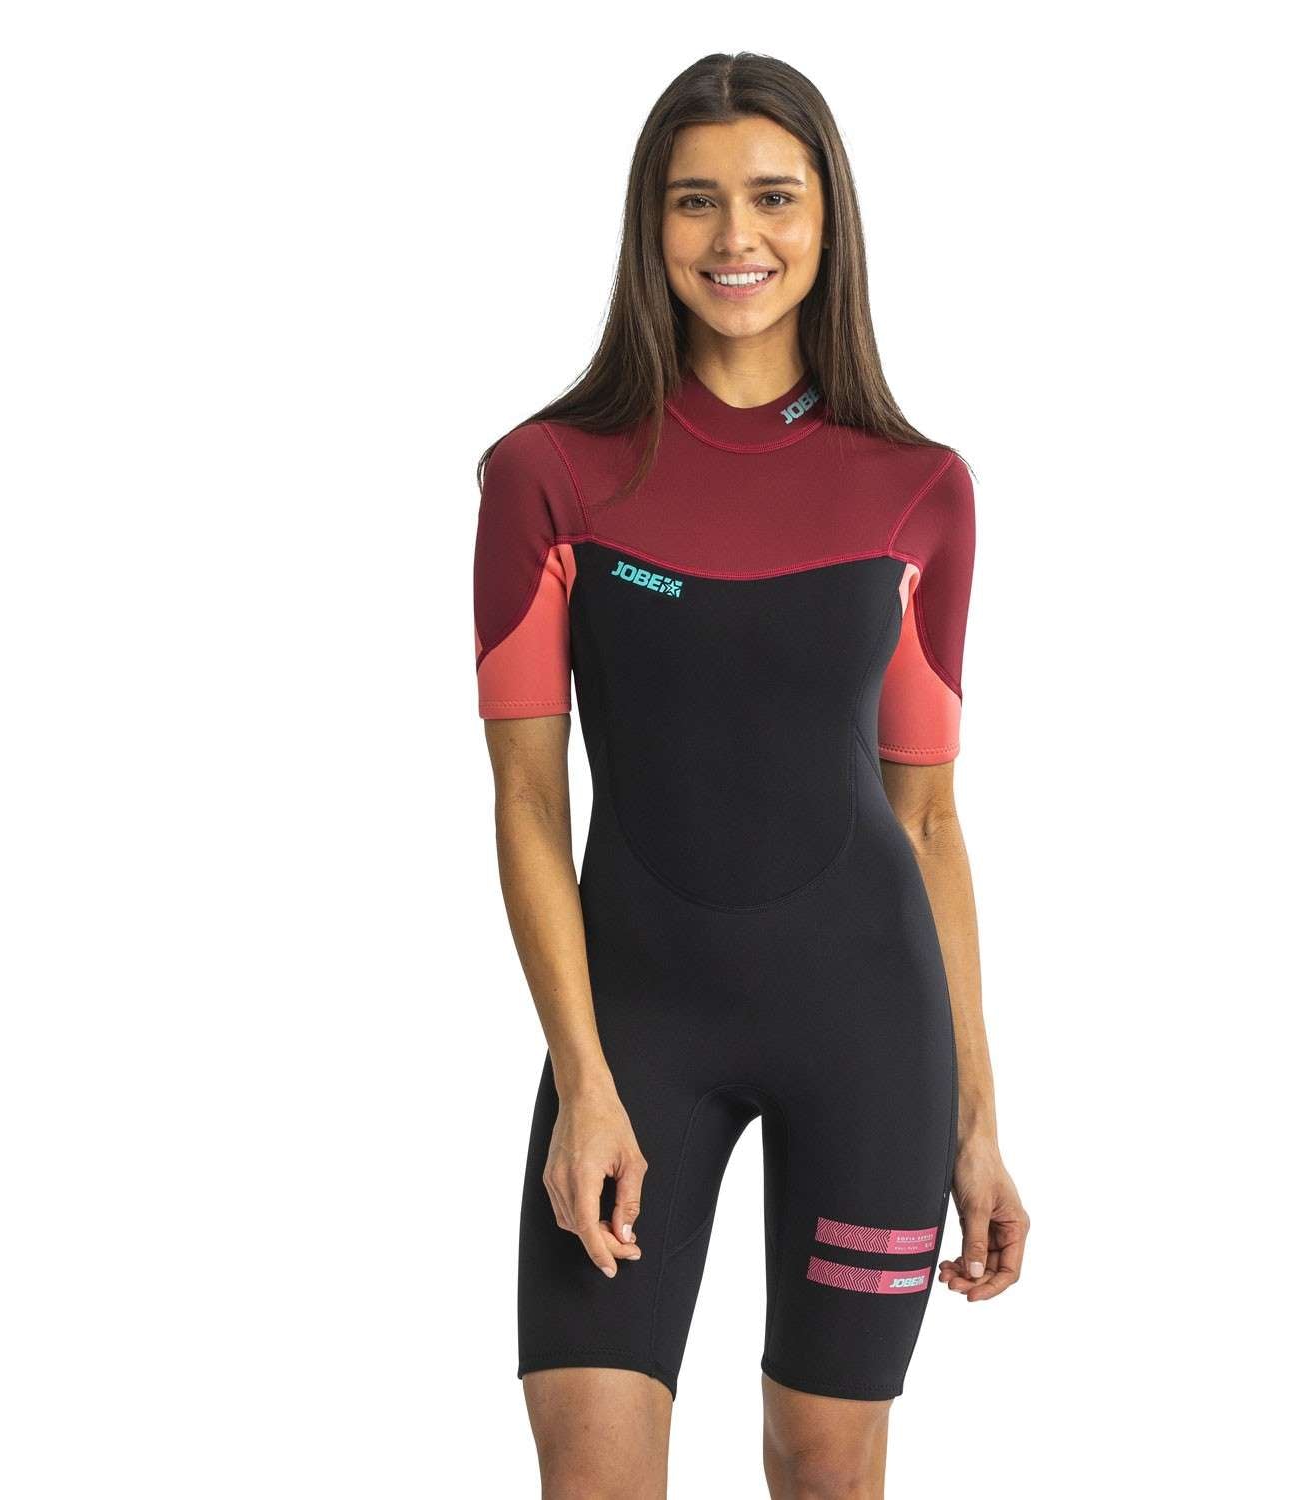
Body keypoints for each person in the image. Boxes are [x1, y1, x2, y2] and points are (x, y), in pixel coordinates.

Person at [472, 51, 1029, 1499]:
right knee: (591, 1463)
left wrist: (979, 1120)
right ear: (649, 225)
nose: (737, 237)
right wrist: (582, 1077)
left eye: (775, 198)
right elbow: (528, 800)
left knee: (825, 1468)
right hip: (634, 1032)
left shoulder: (920, 487)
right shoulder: (550, 473)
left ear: (828, 219)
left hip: (872, 1034)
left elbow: (928, 817)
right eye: (696, 201)